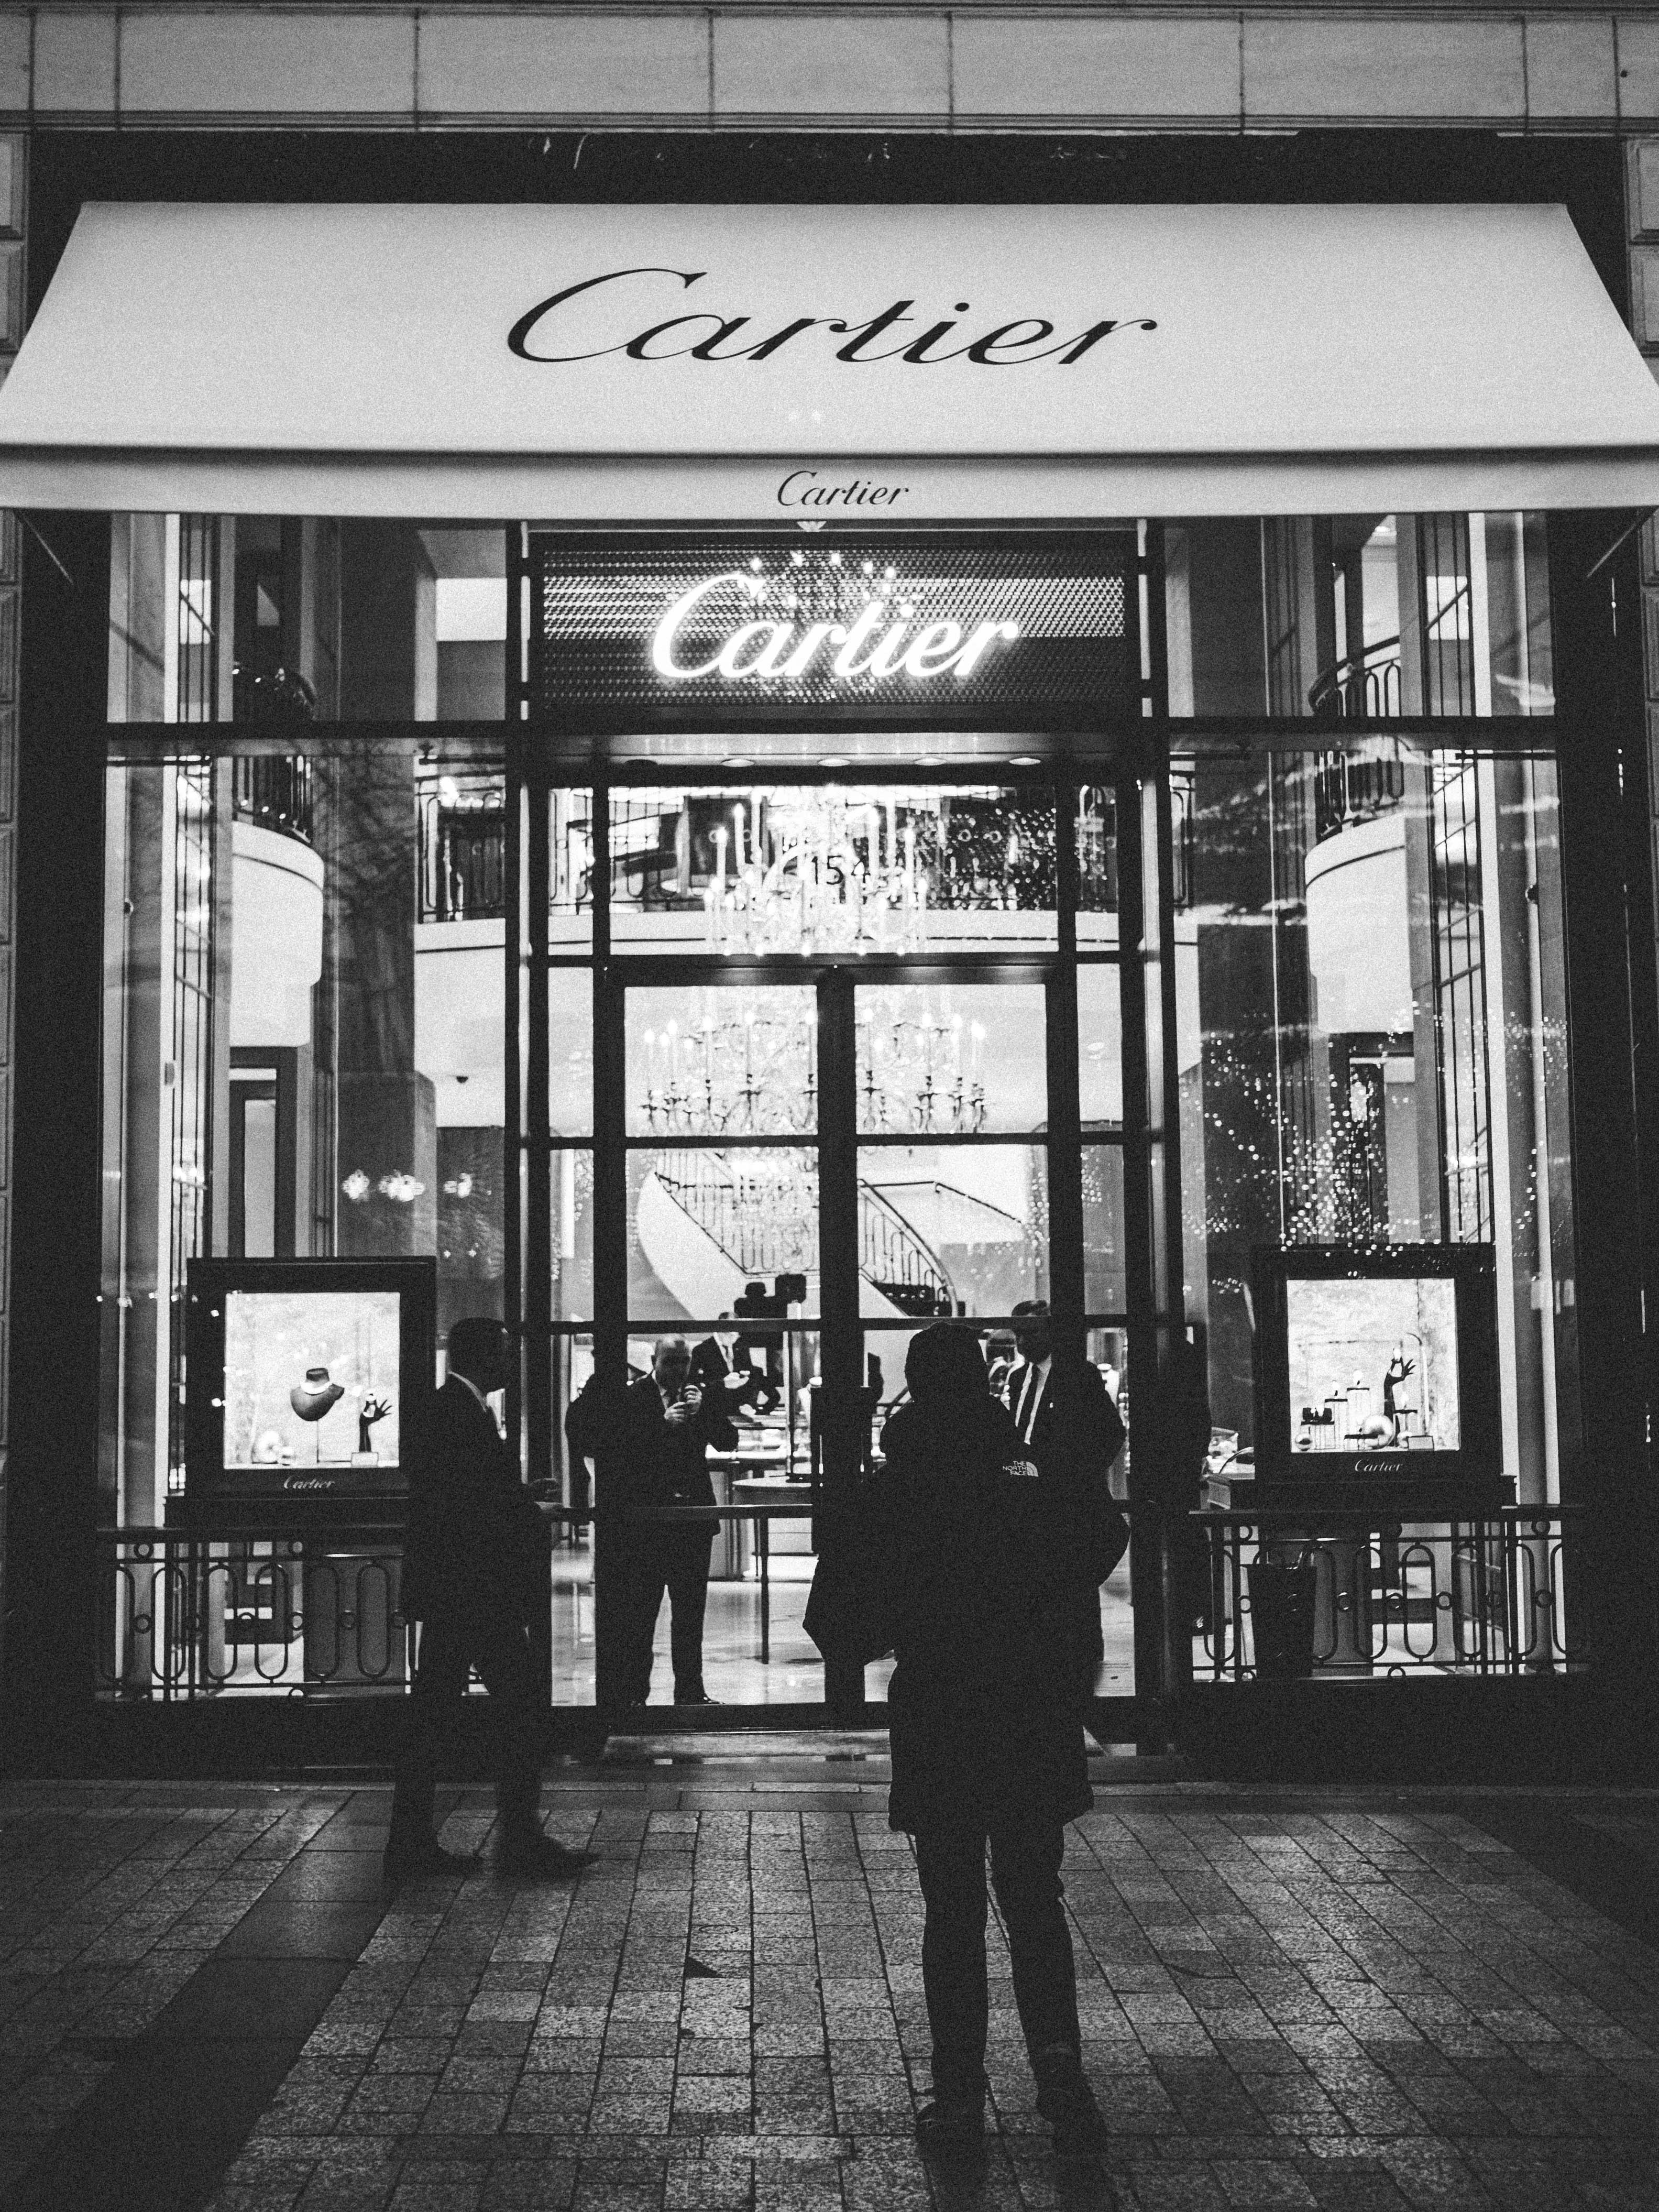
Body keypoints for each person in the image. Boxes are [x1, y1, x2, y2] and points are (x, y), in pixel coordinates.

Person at [862, 1323, 1108, 2159]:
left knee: (952, 1909)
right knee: (1034, 1896)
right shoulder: (1027, 1469)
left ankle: (959, 2093)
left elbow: (842, 1618)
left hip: (940, 1708)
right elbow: (1097, 1537)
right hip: (1029, 1705)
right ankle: (1061, 2077)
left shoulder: (899, 1485)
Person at [387, 1317, 599, 1882]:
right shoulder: (458, 1412)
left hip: (457, 1592)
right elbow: (466, 1507)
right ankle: (517, 1838)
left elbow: (464, 1495)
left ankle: (418, 1842)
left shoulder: (454, 1408)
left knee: (437, 1715)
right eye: (503, 1352)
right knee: (523, 1702)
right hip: (471, 1593)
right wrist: (530, 1514)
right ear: (482, 1356)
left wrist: (519, 1500)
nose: (510, 1362)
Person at [1005, 1298, 1131, 1703]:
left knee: (1070, 1590)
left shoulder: (1077, 1375)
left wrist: (1073, 1477)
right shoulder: (1018, 1377)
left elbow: (1111, 1432)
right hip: (1029, 1500)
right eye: (1018, 1334)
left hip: (1062, 1502)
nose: (1023, 1342)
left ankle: (1078, 1670)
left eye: (1031, 1333)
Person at [609, 1335, 738, 1709]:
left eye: (683, 1362)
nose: (677, 1370)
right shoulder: (634, 1397)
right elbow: (621, 1453)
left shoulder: (699, 1397)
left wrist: (705, 1413)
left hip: (691, 1522)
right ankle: (635, 1694)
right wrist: (660, 1424)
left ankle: (690, 1691)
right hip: (649, 1523)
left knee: (690, 1614)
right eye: (670, 1362)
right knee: (641, 1613)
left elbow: (728, 1441)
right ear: (654, 1360)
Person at [690, 1313, 764, 1412]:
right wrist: (722, 1384)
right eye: (730, 1333)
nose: (735, 1337)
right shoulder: (701, 1350)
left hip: (738, 1410)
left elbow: (751, 1380)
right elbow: (696, 1384)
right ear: (720, 1330)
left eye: (737, 1334)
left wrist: (750, 1404)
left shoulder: (741, 1349)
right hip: (712, 1410)